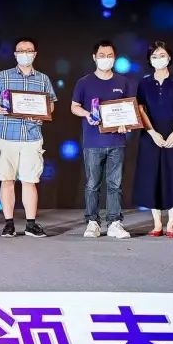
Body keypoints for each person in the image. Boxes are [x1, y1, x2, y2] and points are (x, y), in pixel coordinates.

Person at [0, 37, 57, 238]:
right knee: (6, 180)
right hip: (6, 134)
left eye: (29, 50)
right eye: (21, 50)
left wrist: (43, 113)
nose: (25, 54)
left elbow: (51, 103)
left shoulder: (43, 79)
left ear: (35, 54)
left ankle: (31, 224)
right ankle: (9, 224)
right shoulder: (3, 76)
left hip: (32, 136)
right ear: (15, 54)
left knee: (30, 181)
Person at [71, 40, 134, 240]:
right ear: (94, 57)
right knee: (92, 184)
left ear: (114, 58)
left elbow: (130, 109)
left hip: (117, 141)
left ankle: (115, 222)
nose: (105, 59)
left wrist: (126, 124)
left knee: (115, 185)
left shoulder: (123, 82)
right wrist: (87, 114)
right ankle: (93, 222)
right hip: (93, 142)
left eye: (109, 56)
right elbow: (74, 106)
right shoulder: (84, 82)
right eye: (102, 55)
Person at [133, 40, 173, 238]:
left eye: (162, 55)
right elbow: (140, 110)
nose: (158, 59)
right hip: (150, 134)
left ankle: (171, 225)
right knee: (152, 176)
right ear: (149, 60)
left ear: (169, 57)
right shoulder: (144, 83)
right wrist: (152, 132)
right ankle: (157, 224)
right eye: (154, 56)